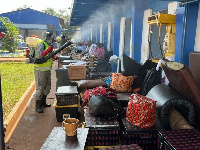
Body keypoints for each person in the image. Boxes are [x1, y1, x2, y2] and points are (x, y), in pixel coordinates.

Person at [33, 32, 57, 113]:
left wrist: (53, 56)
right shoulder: (41, 45)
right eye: (50, 37)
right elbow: (38, 56)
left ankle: (43, 103)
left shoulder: (48, 45)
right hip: (40, 70)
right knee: (40, 88)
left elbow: (48, 55)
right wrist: (47, 51)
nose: (51, 39)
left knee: (47, 87)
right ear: (46, 38)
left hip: (47, 70)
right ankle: (37, 106)